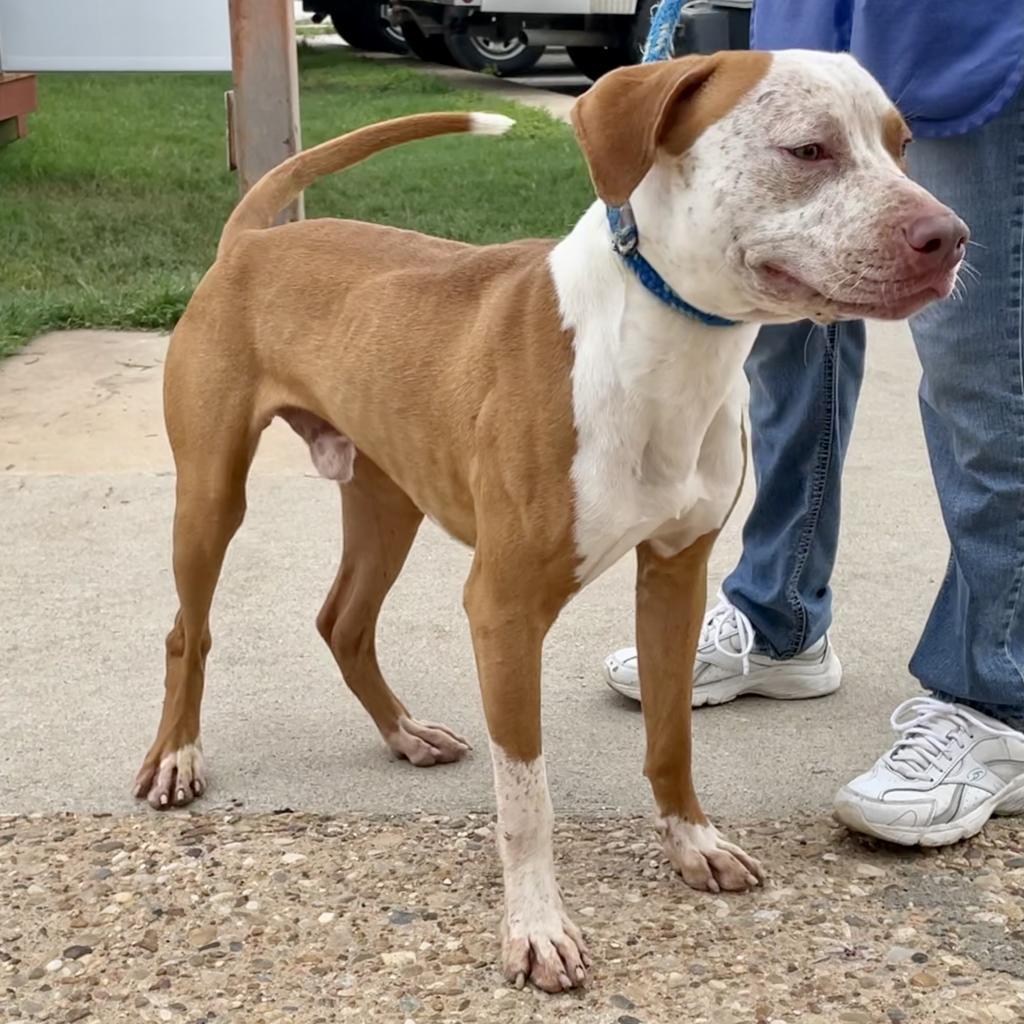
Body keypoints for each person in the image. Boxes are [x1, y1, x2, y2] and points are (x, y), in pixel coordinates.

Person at [604, 0, 1024, 845]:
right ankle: (779, 619)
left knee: (981, 376)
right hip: (819, 29)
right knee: (783, 331)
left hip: (968, 41)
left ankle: (996, 693)